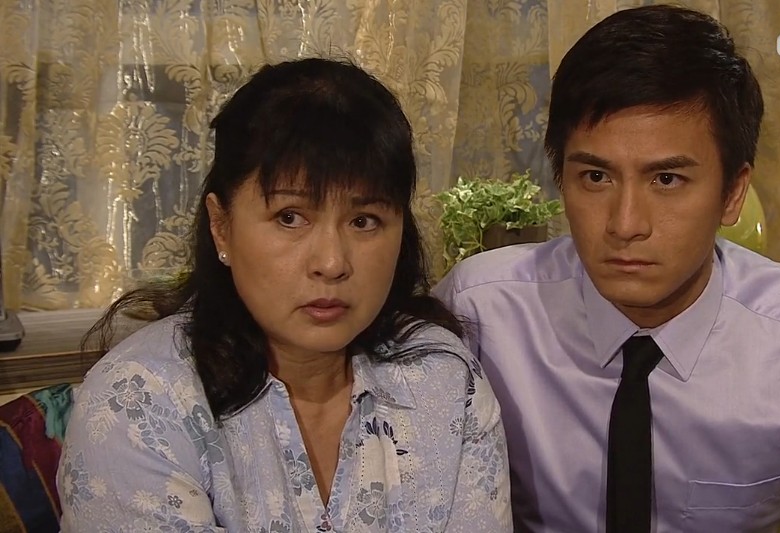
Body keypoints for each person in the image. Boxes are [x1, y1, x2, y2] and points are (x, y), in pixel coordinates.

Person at [434, 5, 780, 532]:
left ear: (733, 193)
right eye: (595, 177)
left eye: (667, 180)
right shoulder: (479, 310)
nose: (625, 224)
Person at [57, 58, 512, 532]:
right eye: (290, 217)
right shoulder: (139, 401)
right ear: (221, 226)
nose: (331, 263)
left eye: (364, 221)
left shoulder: (443, 376)